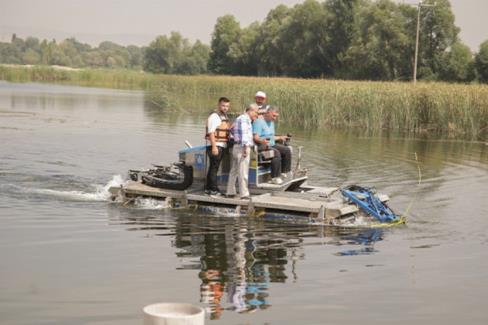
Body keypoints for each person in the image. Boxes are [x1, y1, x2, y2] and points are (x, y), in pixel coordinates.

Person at [226, 103, 259, 199]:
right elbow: (245, 134)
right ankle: (244, 194)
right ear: (251, 110)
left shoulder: (239, 118)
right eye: (256, 113)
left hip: (236, 146)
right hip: (242, 148)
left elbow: (231, 130)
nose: (256, 115)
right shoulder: (245, 119)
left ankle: (230, 192)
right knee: (243, 172)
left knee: (234, 171)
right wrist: (245, 148)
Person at [252, 106, 291, 185]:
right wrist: (262, 140)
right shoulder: (258, 122)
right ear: (268, 113)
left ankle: (284, 173)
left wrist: (281, 137)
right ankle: (275, 178)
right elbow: (255, 137)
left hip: (271, 144)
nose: (275, 118)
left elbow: (271, 136)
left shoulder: (271, 123)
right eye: (274, 116)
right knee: (276, 153)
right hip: (261, 147)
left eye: (276, 116)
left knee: (287, 150)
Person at [205, 97, 231, 196]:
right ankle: (214, 190)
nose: (225, 108)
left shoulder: (224, 116)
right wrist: (214, 147)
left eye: (227, 106)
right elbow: (211, 132)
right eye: (223, 105)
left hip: (221, 145)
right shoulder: (214, 116)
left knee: (213, 167)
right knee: (214, 168)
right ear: (219, 105)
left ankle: (208, 188)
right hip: (216, 146)